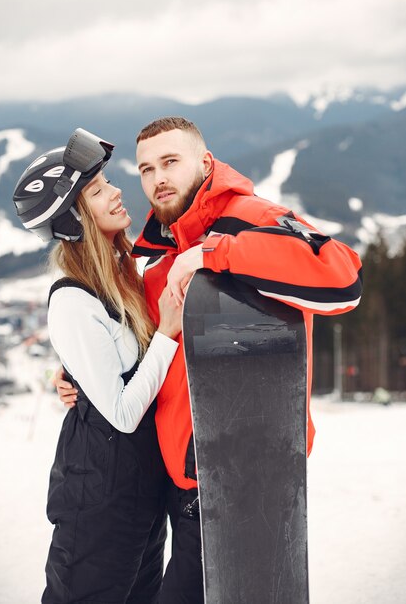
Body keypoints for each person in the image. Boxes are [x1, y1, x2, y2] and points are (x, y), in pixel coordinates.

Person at [57, 117, 363, 604]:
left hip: (244, 482)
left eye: (171, 162)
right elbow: (149, 350)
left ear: (205, 162)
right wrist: (79, 374)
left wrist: (211, 254)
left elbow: (342, 280)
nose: (158, 178)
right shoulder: (157, 261)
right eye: (146, 168)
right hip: (180, 488)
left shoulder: (251, 218)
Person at [13, 128, 182, 604]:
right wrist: (167, 332)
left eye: (107, 183)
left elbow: (110, 361)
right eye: (98, 190)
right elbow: (124, 413)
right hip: (100, 502)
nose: (116, 192)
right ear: (73, 217)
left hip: (140, 495)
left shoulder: (120, 274)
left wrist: (78, 377)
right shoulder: (72, 298)